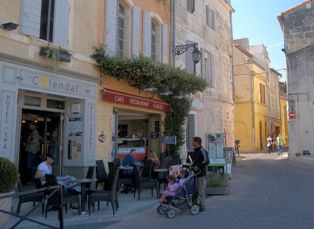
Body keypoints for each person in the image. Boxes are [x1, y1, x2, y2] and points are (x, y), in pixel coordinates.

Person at [190, 136, 209, 212]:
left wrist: (197, 166)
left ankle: (202, 205)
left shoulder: (202, 150)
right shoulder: (196, 150)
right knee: (195, 189)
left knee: (200, 189)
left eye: (193, 141)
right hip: (195, 173)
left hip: (201, 173)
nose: (192, 142)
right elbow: (196, 161)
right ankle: (195, 203)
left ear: (196, 142)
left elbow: (206, 161)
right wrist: (192, 166)